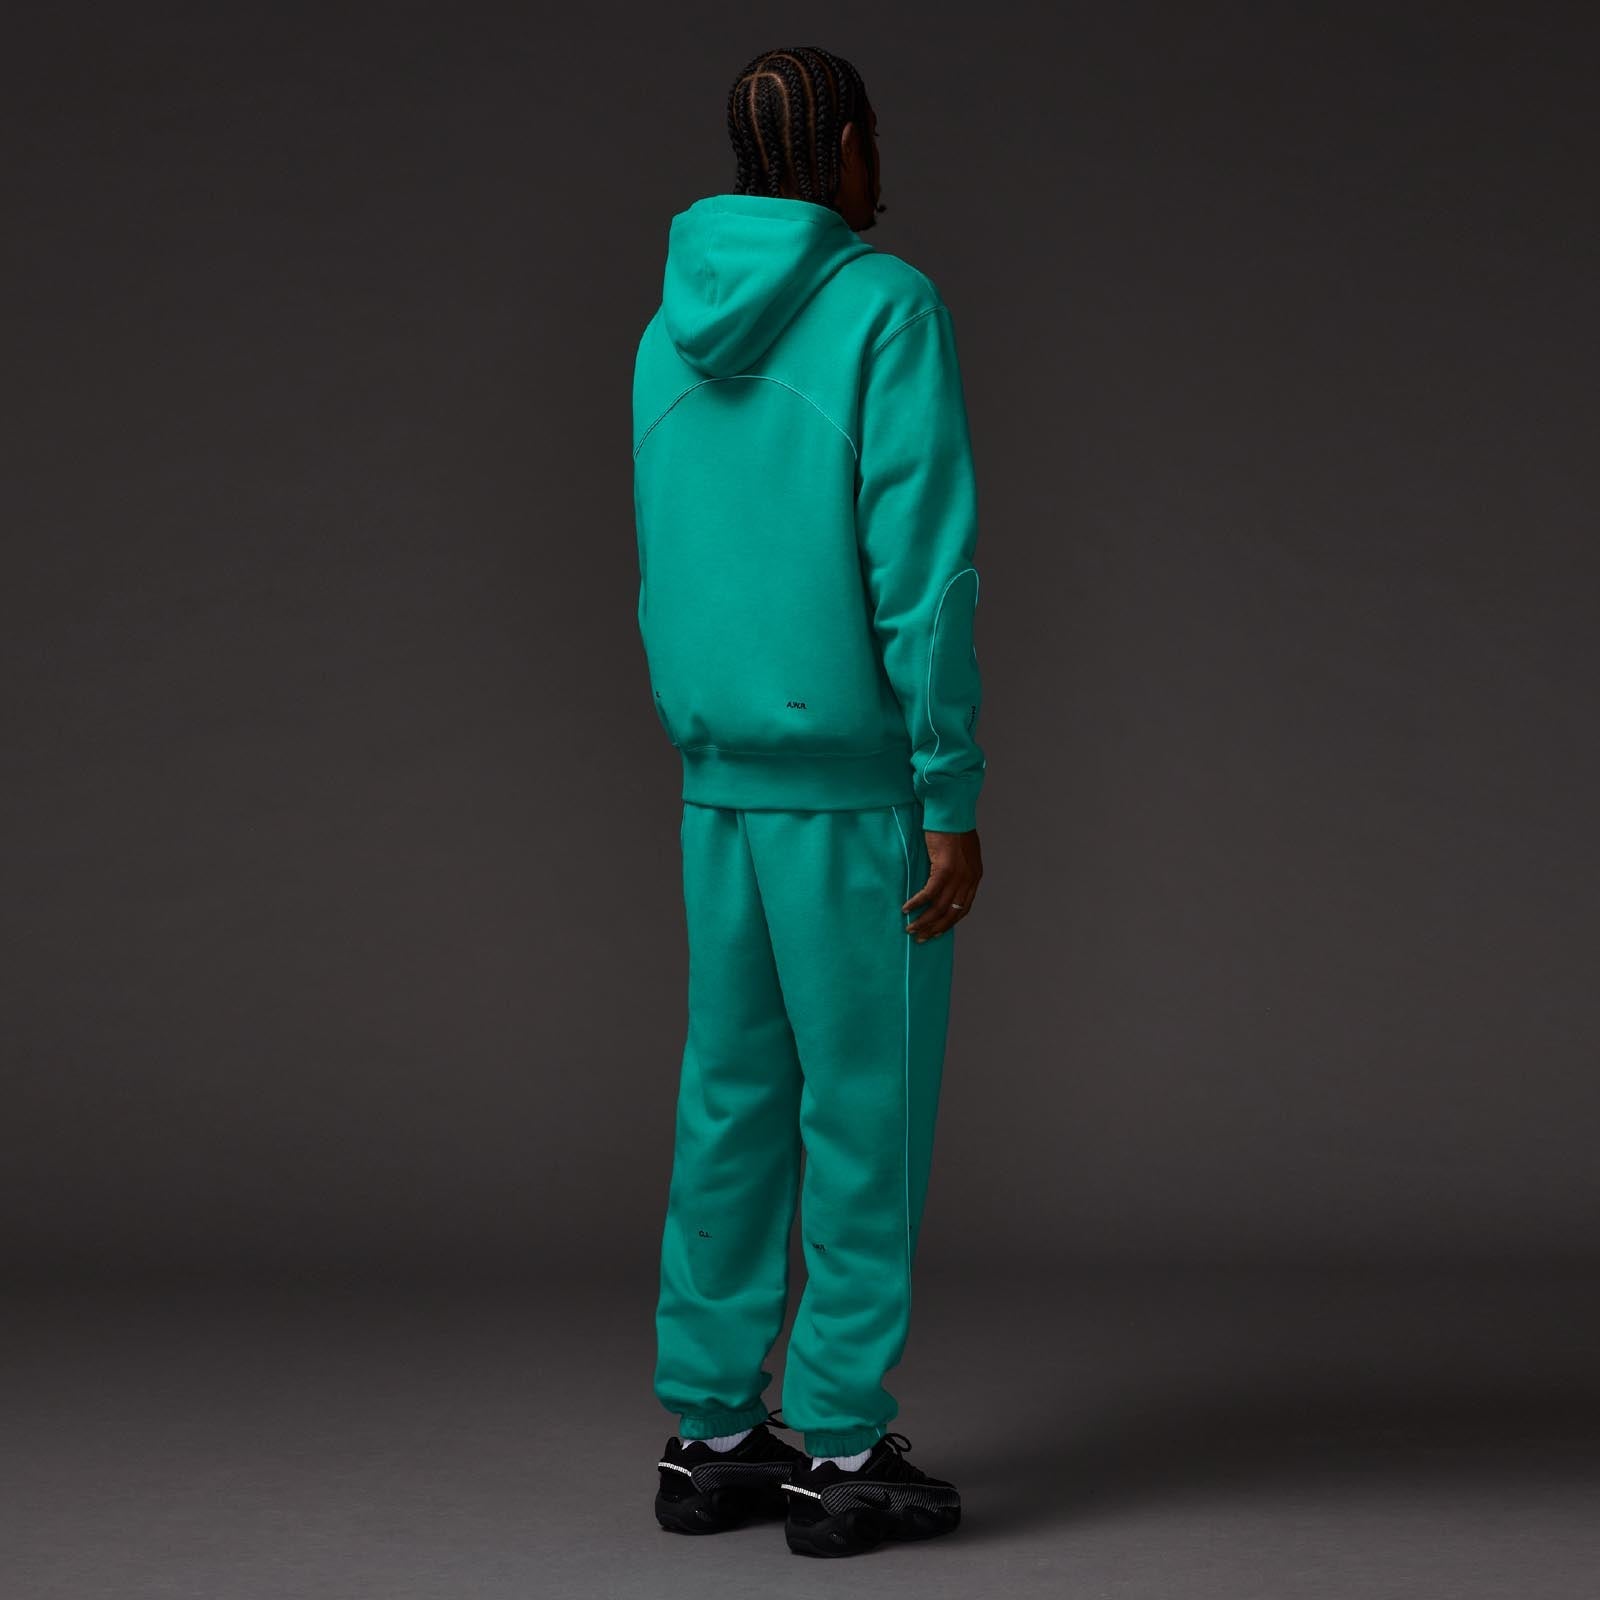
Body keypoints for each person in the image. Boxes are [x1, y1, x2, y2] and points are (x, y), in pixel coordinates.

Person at [632, 43, 987, 1558]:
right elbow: (925, 569)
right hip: (853, 792)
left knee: (729, 1099)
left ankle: (712, 1433)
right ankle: (842, 1447)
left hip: (717, 783)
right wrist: (947, 781)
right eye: (871, 139)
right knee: (864, 1109)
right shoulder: (886, 306)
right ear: (843, 148)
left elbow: (669, 556)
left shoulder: (664, 331)